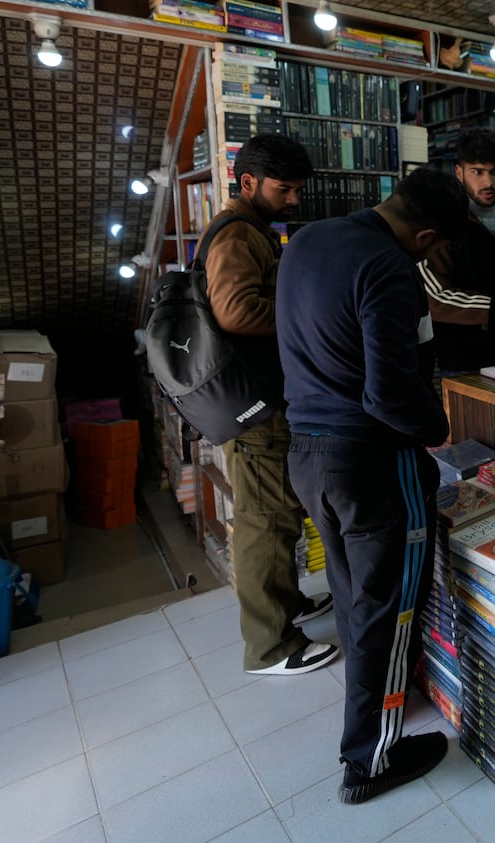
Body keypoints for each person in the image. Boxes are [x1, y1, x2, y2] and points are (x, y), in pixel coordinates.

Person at [275, 167, 469, 804]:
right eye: (438, 250)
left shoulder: (307, 239)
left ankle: (375, 716)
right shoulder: (389, 268)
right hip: (374, 460)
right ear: (426, 233)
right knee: (390, 605)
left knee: (354, 594)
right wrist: (438, 426)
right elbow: (389, 395)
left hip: (307, 451)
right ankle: (370, 759)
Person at [203, 134, 338, 677]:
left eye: (297, 191)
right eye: (285, 190)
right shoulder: (237, 235)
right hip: (253, 408)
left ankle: (285, 607)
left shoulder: (252, 230)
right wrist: (305, 323)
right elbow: (236, 313)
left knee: (280, 513)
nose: (293, 202)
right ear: (249, 181)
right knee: (262, 521)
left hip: (261, 400)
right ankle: (268, 647)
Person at [418, 130, 495, 372]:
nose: (487, 182)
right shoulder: (442, 223)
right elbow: (434, 296)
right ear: (459, 172)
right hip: (460, 360)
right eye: (477, 172)